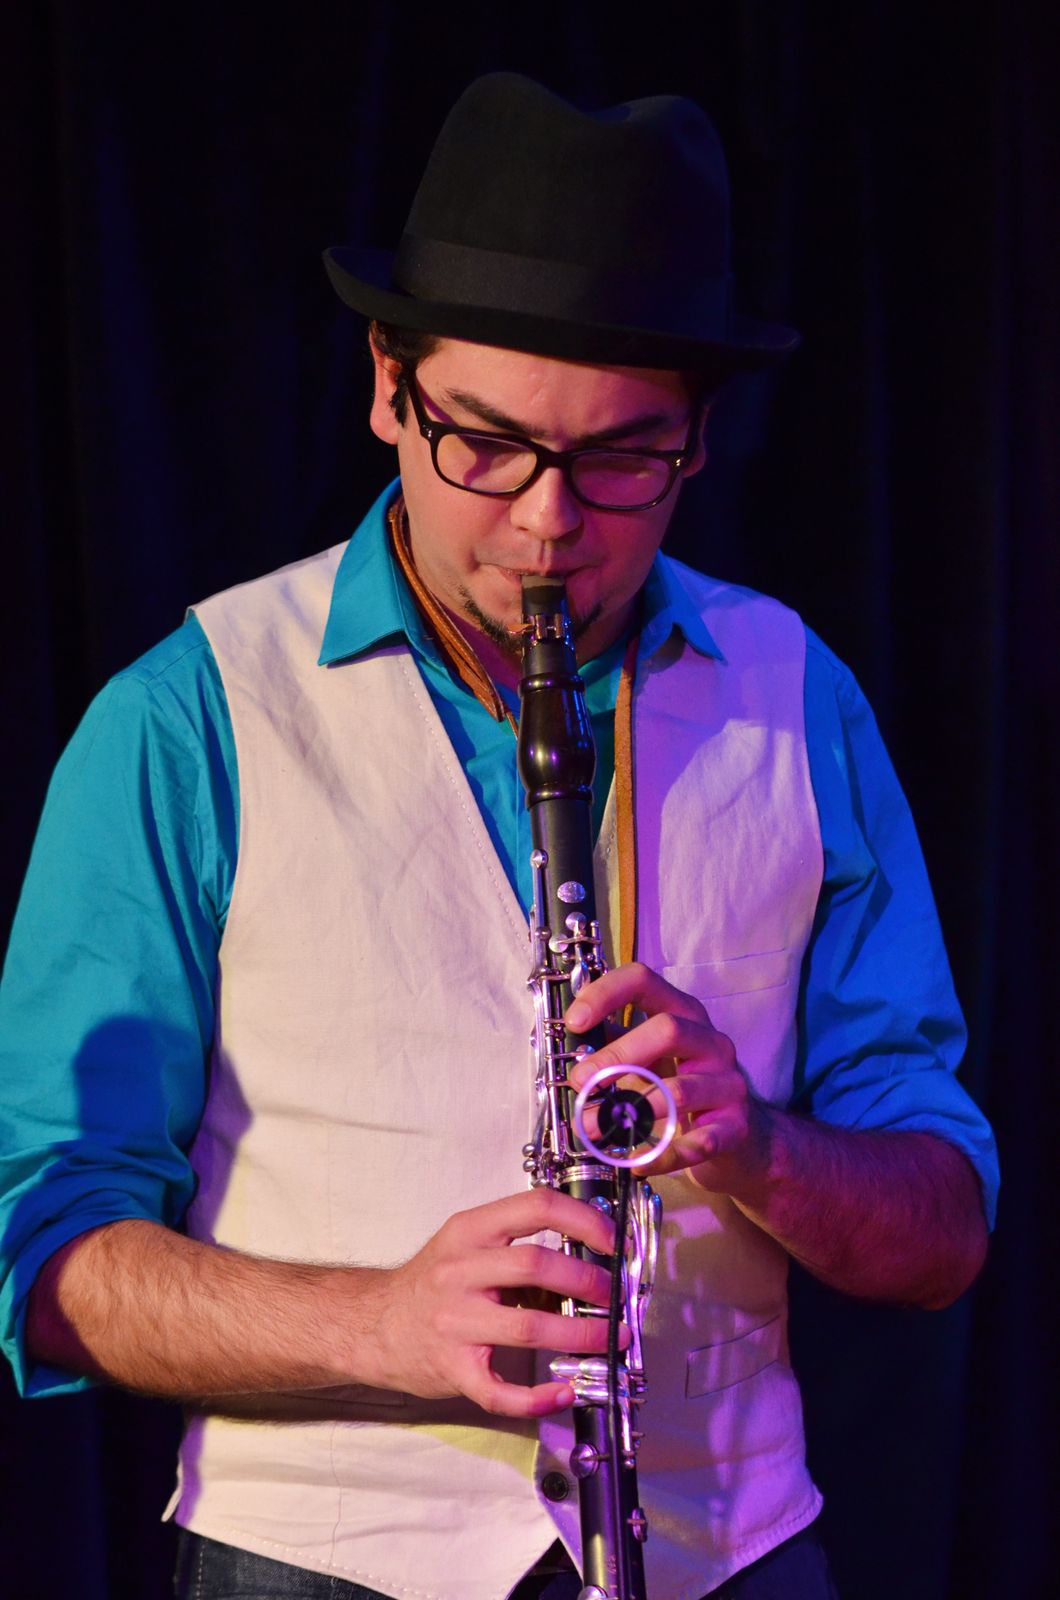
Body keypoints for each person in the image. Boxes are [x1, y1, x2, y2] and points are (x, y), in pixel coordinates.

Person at [0, 73, 997, 1600]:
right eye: (486, 443)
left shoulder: (801, 697)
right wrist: (379, 1324)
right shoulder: (186, 717)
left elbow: (940, 1233)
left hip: (734, 1555)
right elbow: (49, 1258)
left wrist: (756, 1145)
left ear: (698, 441)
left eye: (622, 459)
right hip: (319, 1565)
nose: (547, 525)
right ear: (388, 389)